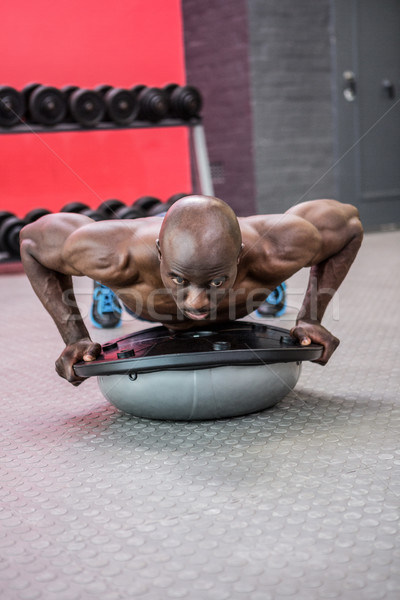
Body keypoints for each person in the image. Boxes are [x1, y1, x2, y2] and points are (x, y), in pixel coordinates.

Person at [20, 195, 363, 386]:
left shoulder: (275, 248)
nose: (197, 303)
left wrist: (311, 317)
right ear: (158, 253)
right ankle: (104, 288)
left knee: (268, 269)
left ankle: (256, 282)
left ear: (240, 255)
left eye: (215, 282)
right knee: (112, 275)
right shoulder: (115, 254)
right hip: (142, 291)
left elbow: (349, 225)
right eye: (180, 280)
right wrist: (74, 336)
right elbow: (31, 241)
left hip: (250, 266)